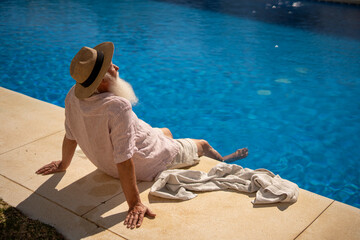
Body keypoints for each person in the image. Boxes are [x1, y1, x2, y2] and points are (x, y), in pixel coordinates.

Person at [36, 42, 248, 229]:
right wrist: (135, 203)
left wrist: (64, 164)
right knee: (202, 143)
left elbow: (70, 135)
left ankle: (175, 144)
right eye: (111, 66)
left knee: (166, 131)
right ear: (101, 81)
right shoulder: (117, 107)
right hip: (146, 161)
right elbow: (125, 160)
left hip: (106, 162)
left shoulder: (73, 96)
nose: (117, 67)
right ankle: (225, 160)